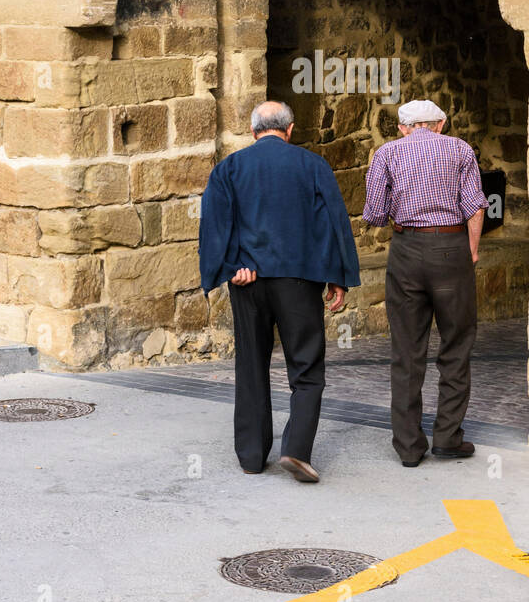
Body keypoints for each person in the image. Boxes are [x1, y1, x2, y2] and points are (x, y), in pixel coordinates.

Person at [199, 100, 360, 483]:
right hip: (300, 280)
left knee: (251, 364)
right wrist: (337, 275)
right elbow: (334, 220)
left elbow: (216, 224)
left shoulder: (229, 169)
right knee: (306, 368)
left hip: (248, 279)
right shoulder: (313, 166)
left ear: (253, 131)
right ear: (290, 130)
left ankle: (252, 456)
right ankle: (296, 450)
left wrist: (228, 267)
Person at [362, 100, 487, 467]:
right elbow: (475, 206)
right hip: (451, 249)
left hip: (406, 251)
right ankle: (448, 437)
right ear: (441, 124)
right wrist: (472, 251)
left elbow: (374, 213)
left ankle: (409, 446)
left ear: (403, 127)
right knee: (457, 343)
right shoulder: (461, 149)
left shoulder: (387, 153)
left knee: (406, 349)